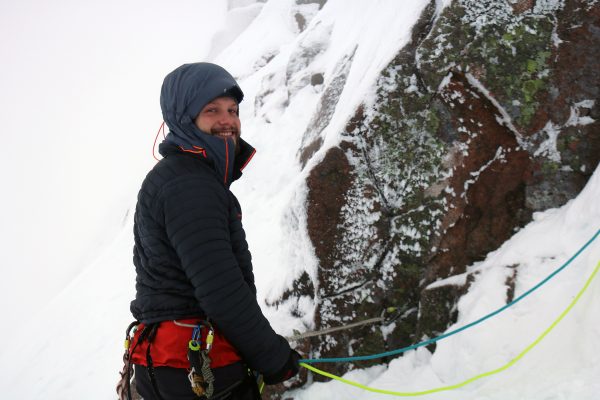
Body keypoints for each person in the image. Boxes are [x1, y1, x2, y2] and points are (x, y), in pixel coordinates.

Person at [123, 62, 300, 400]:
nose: (228, 120)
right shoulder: (189, 185)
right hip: (197, 371)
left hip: (172, 366)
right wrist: (273, 358)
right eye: (212, 110)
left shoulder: (178, 178)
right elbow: (221, 290)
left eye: (232, 110)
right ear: (184, 117)